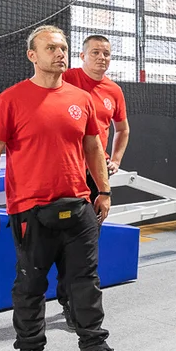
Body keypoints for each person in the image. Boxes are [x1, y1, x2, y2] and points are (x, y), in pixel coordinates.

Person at [0, 25, 121, 351]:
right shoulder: (10, 100)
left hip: (79, 205)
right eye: (52, 48)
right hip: (30, 210)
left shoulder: (80, 99)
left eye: (64, 48)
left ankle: (92, 344)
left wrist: (103, 191)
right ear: (32, 55)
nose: (60, 53)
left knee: (85, 279)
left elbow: (94, 148)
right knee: (30, 284)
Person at [57, 34, 129, 331]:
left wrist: (115, 160)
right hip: (63, 170)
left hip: (94, 174)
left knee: (86, 243)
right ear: (82, 55)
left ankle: (76, 303)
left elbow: (123, 130)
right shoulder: (67, 77)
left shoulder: (113, 90)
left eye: (107, 54)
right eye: (96, 53)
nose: (102, 58)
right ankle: (66, 298)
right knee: (61, 240)